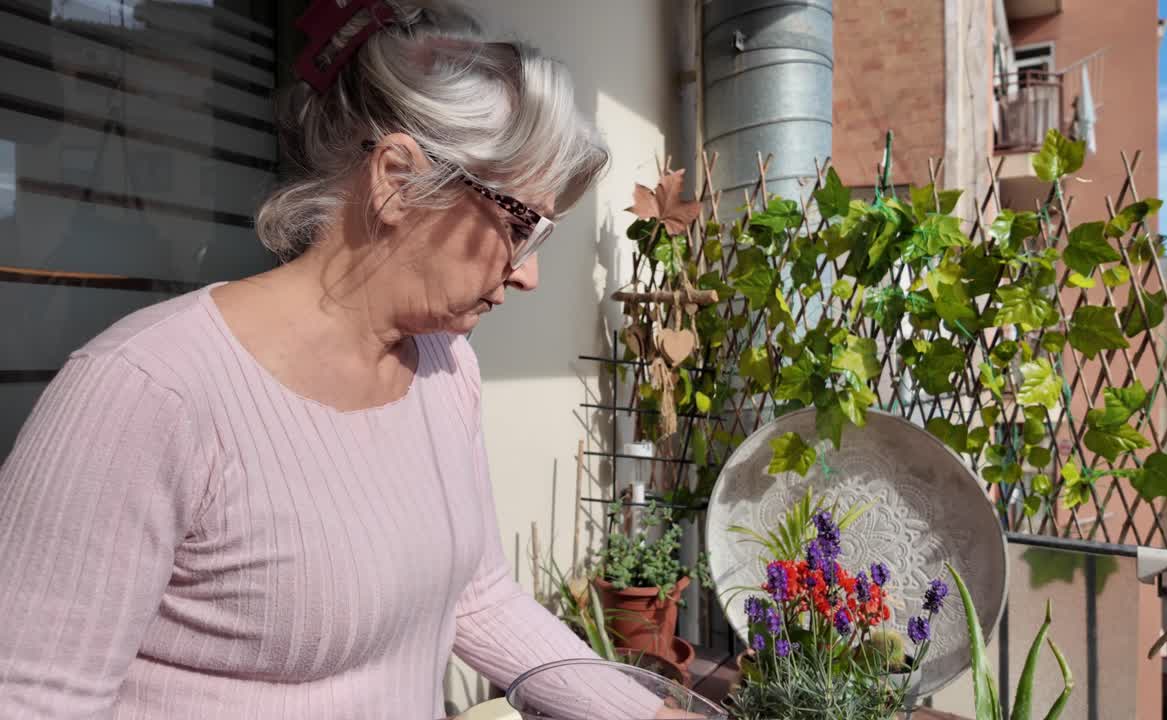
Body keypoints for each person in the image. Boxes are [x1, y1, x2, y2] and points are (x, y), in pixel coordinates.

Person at [0, 2, 694, 717]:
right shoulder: (146, 391)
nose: (527, 274)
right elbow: (33, 699)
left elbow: (476, 595)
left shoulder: (445, 370)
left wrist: (647, 712)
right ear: (396, 178)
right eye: (521, 225)